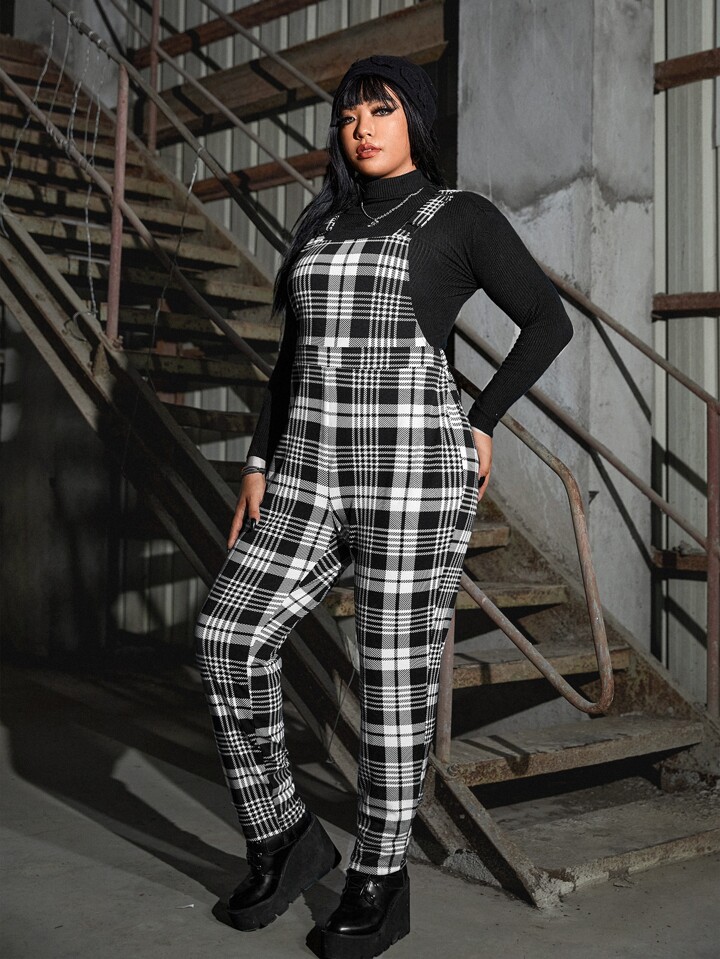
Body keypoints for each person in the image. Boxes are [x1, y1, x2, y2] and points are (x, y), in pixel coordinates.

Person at [195, 54, 573, 959]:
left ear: (417, 122)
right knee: (227, 635)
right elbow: (292, 360)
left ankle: (378, 876)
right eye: (349, 113)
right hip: (307, 470)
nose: (362, 127)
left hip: (411, 474)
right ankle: (282, 836)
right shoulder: (322, 222)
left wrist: (482, 418)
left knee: (393, 680)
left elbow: (548, 320)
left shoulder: (458, 218)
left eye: (383, 109)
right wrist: (259, 458)